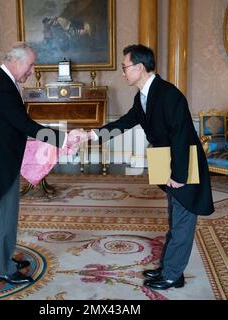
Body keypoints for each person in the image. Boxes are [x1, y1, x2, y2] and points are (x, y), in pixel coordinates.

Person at [88, 44, 215, 290]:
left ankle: (172, 276)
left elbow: (182, 135)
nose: (123, 72)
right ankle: (169, 270)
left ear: (139, 67)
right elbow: (126, 122)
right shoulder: (143, 96)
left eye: (125, 67)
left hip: (183, 162)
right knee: (174, 217)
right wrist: (93, 135)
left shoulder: (169, 94)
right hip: (163, 158)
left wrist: (178, 175)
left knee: (182, 221)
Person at [0, 42, 84, 285]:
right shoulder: (0, 86)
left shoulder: (2, 82)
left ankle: (1, 259)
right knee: (5, 215)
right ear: (15, 61)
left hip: (3, 158)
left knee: (6, 214)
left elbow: (16, 124)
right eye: (31, 64)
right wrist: (63, 138)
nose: (32, 71)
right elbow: (26, 125)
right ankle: (2, 269)